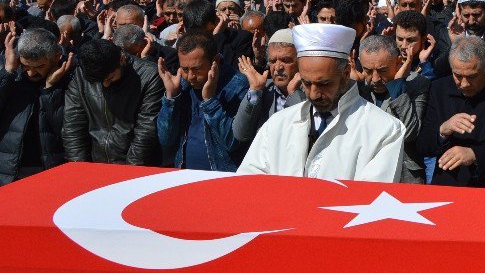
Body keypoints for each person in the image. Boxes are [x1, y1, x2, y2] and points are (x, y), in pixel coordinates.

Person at [238, 24, 405, 182]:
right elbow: (251, 181)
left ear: (346, 73)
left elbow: (370, 199)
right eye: (307, 83)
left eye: (324, 84)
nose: (313, 94)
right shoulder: (278, 123)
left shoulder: (384, 130)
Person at [419, 36, 485, 189]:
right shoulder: (438, 89)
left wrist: (474, 154)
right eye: (457, 75)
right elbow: (424, 145)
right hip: (449, 185)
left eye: (471, 76)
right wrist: (443, 130)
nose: (464, 84)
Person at [156, 32, 250, 171]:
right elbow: (166, 139)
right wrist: (171, 97)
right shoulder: (181, 85)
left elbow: (232, 141)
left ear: (215, 61)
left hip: (222, 178)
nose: (191, 76)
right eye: (185, 69)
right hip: (185, 175)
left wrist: (210, 101)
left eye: (197, 69)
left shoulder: (238, 85)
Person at [63, 39, 164, 166]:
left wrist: (130, 172)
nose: (105, 84)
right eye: (99, 82)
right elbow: (73, 125)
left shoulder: (148, 76)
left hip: (136, 165)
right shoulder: (81, 75)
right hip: (95, 163)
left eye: (109, 78)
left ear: (121, 59)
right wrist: (79, 166)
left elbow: (146, 129)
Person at [0, 29, 74, 183]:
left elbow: (66, 128)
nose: (31, 73)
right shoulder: (10, 77)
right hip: (11, 168)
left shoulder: (70, 78)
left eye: (39, 66)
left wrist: (50, 89)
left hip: (50, 168)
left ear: (56, 58)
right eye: (26, 66)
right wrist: (8, 72)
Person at [356, 35, 429, 183]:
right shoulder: (359, 87)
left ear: (398, 62)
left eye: (382, 71)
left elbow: (408, 133)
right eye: (368, 71)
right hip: (363, 174)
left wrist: (397, 87)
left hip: (402, 177)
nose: (375, 78)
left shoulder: (417, 84)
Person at [231, 29, 306, 143]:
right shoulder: (264, 90)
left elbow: (307, 130)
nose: (278, 67)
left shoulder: (311, 90)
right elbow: (240, 134)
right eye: (272, 61)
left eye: (285, 60)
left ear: (300, 61)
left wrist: (294, 94)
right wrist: (254, 91)